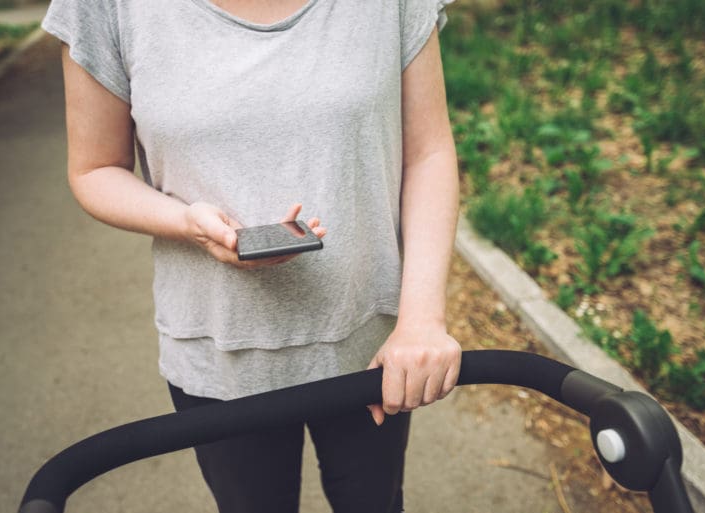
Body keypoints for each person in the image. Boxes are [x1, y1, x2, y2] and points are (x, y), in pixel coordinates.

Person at [42, 1, 461, 512]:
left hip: (373, 351)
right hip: (222, 361)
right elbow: (94, 169)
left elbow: (429, 152)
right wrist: (187, 223)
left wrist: (421, 322)